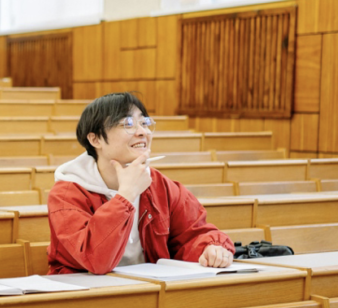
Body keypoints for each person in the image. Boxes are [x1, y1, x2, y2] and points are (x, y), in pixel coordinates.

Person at [47, 92, 234, 275]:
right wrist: (125, 195)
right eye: (127, 123)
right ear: (95, 139)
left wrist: (211, 247)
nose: (142, 132)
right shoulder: (66, 194)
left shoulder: (160, 185)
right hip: (85, 295)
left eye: (144, 123)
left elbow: (193, 234)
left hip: (147, 291)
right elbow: (95, 260)